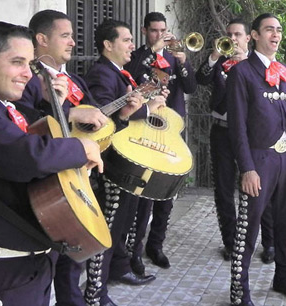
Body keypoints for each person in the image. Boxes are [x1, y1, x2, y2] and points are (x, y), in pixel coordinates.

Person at [0, 21, 103, 306]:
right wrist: (81, 146)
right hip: (1, 275)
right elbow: (29, 156)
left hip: (26, 268)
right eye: (17, 62)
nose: (28, 74)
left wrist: (58, 106)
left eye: (30, 63)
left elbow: (37, 128)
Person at [18, 10, 144, 306]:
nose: (73, 42)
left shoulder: (73, 79)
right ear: (41, 39)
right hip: (46, 183)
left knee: (73, 258)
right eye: (65, 35)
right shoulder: (27, 78)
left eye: (72, 36)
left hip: (81, 176)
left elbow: (97, 120)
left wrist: (121, 115)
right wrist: (70, 112)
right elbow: (21, 123)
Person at [226, 13, 286, 305]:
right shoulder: (242, 73)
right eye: (269, 30)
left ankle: (284, 278)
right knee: (248, 228)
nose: (275, 35)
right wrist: (247, 168)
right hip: (259, 162)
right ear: (254, 36)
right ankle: (239, 290)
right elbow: (237, 127)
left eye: (279, 30)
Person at [83, 18, 167, 306]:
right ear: (108, 45)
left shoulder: (118, 72)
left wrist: (150, 99)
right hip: (112, 165)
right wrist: (146, 110)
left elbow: (129, 104)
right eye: (127, 40)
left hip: (128, 162)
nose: (133, 45)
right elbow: (103, 119)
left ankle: (119, 269)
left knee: (122, 226)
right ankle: (95, 292)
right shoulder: (102, 74)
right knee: (107, 230)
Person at [195, 18, 274, 263]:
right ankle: (230, 243)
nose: (233, 38)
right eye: (229, 34)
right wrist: (214, 56)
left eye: (238, 34)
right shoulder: (219, 62)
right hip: (222, 131)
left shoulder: (257, 64)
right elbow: (201, 78)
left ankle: (269, 243)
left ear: (249, 37)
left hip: (251, 135)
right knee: (223, 189)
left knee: (260, 187)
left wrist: (243, 64)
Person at [123, 11, 197, 274]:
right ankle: (134, 252)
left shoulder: (173, 57)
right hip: (145, 129)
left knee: (167, 193)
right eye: (154, 30)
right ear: (145, 31)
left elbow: (190, 87)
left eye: (162, 30)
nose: (160, 35)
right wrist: (151, 51)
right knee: (143, 194)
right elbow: (130, 76)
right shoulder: (136, 56)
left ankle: (156, 245)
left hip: (172, 129)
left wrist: (183, 61)